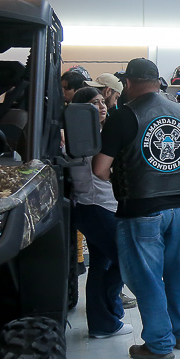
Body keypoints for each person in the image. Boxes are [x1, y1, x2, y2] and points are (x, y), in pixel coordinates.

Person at [92, 58, 180, 359]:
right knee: (179, 272)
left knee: (147, 277)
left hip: (141, 208)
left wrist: (124, 176)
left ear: (128, 82)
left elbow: (100, 169)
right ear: (157, 81)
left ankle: (159, 344)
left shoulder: (123, 116)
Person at [68, 87, 130, 339]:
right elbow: (100, 172)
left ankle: (103, 322)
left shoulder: (90, 134)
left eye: (103, 101)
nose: (102, 106)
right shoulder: (86, 137)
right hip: (97, 206)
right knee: (126, 260)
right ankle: (108, 316)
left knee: (100, 265)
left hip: (92, 206)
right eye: (95, 103)